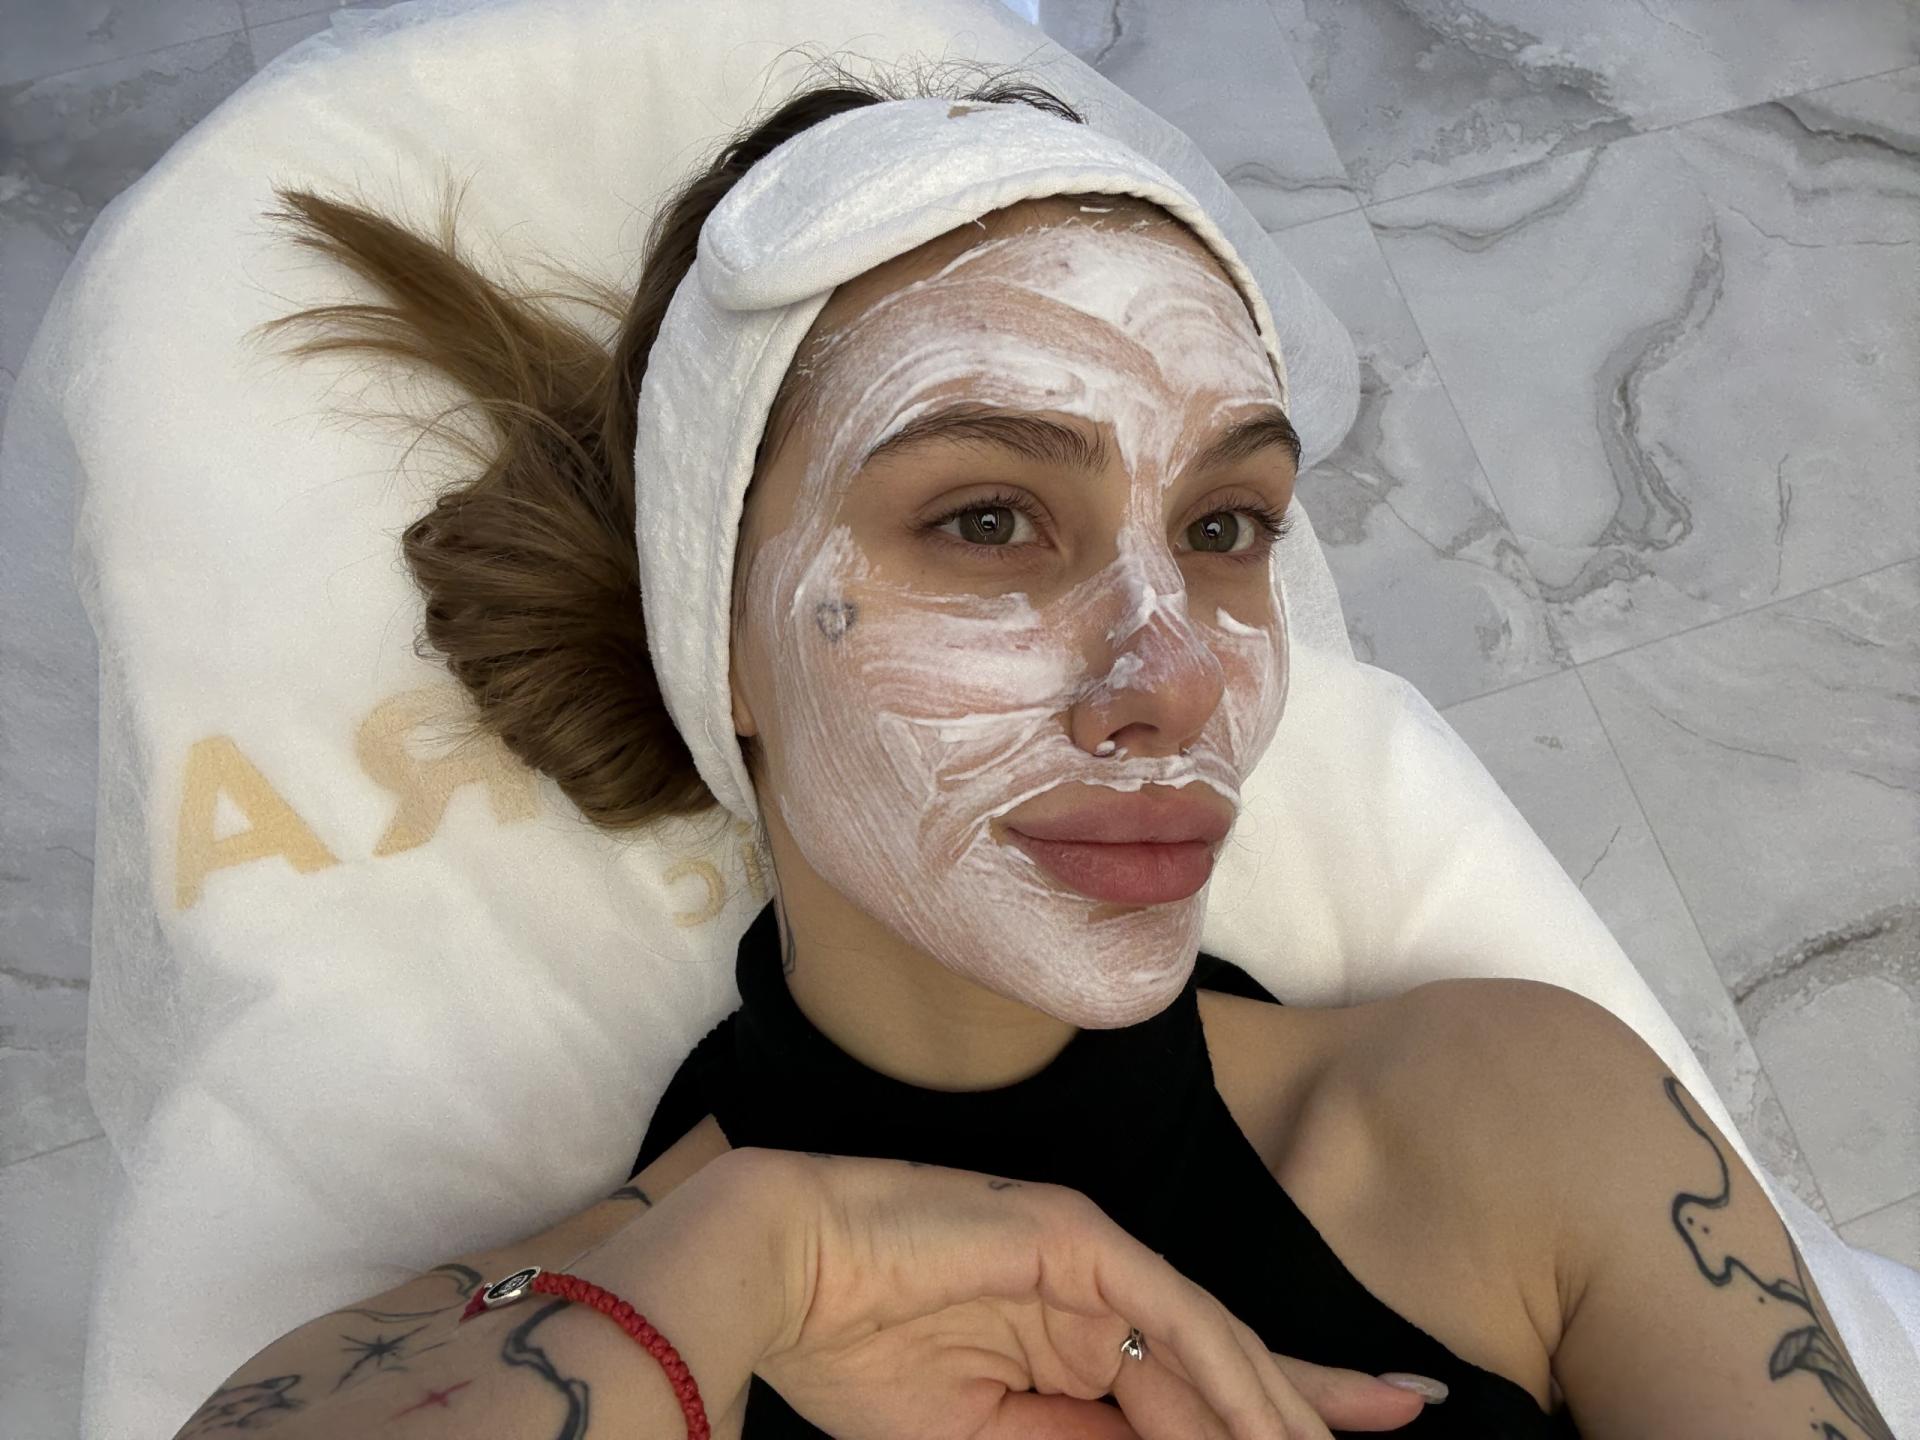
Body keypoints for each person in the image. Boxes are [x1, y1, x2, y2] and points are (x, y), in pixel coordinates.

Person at [185, 60, 1890, 1440]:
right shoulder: (581, 1332)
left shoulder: (1517, 1116)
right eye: (989, 519)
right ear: (721, 634)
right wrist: (773, 1255)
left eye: (1225, 526)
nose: (1177, 678)